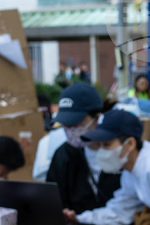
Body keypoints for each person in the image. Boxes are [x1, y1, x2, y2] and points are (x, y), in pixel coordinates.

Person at [45, 83, 122, 217]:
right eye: (66, 126)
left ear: (98, 118)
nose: (71, 131)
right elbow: (53, 202)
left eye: (76, 124)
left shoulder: (122, 151)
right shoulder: (63, 156)